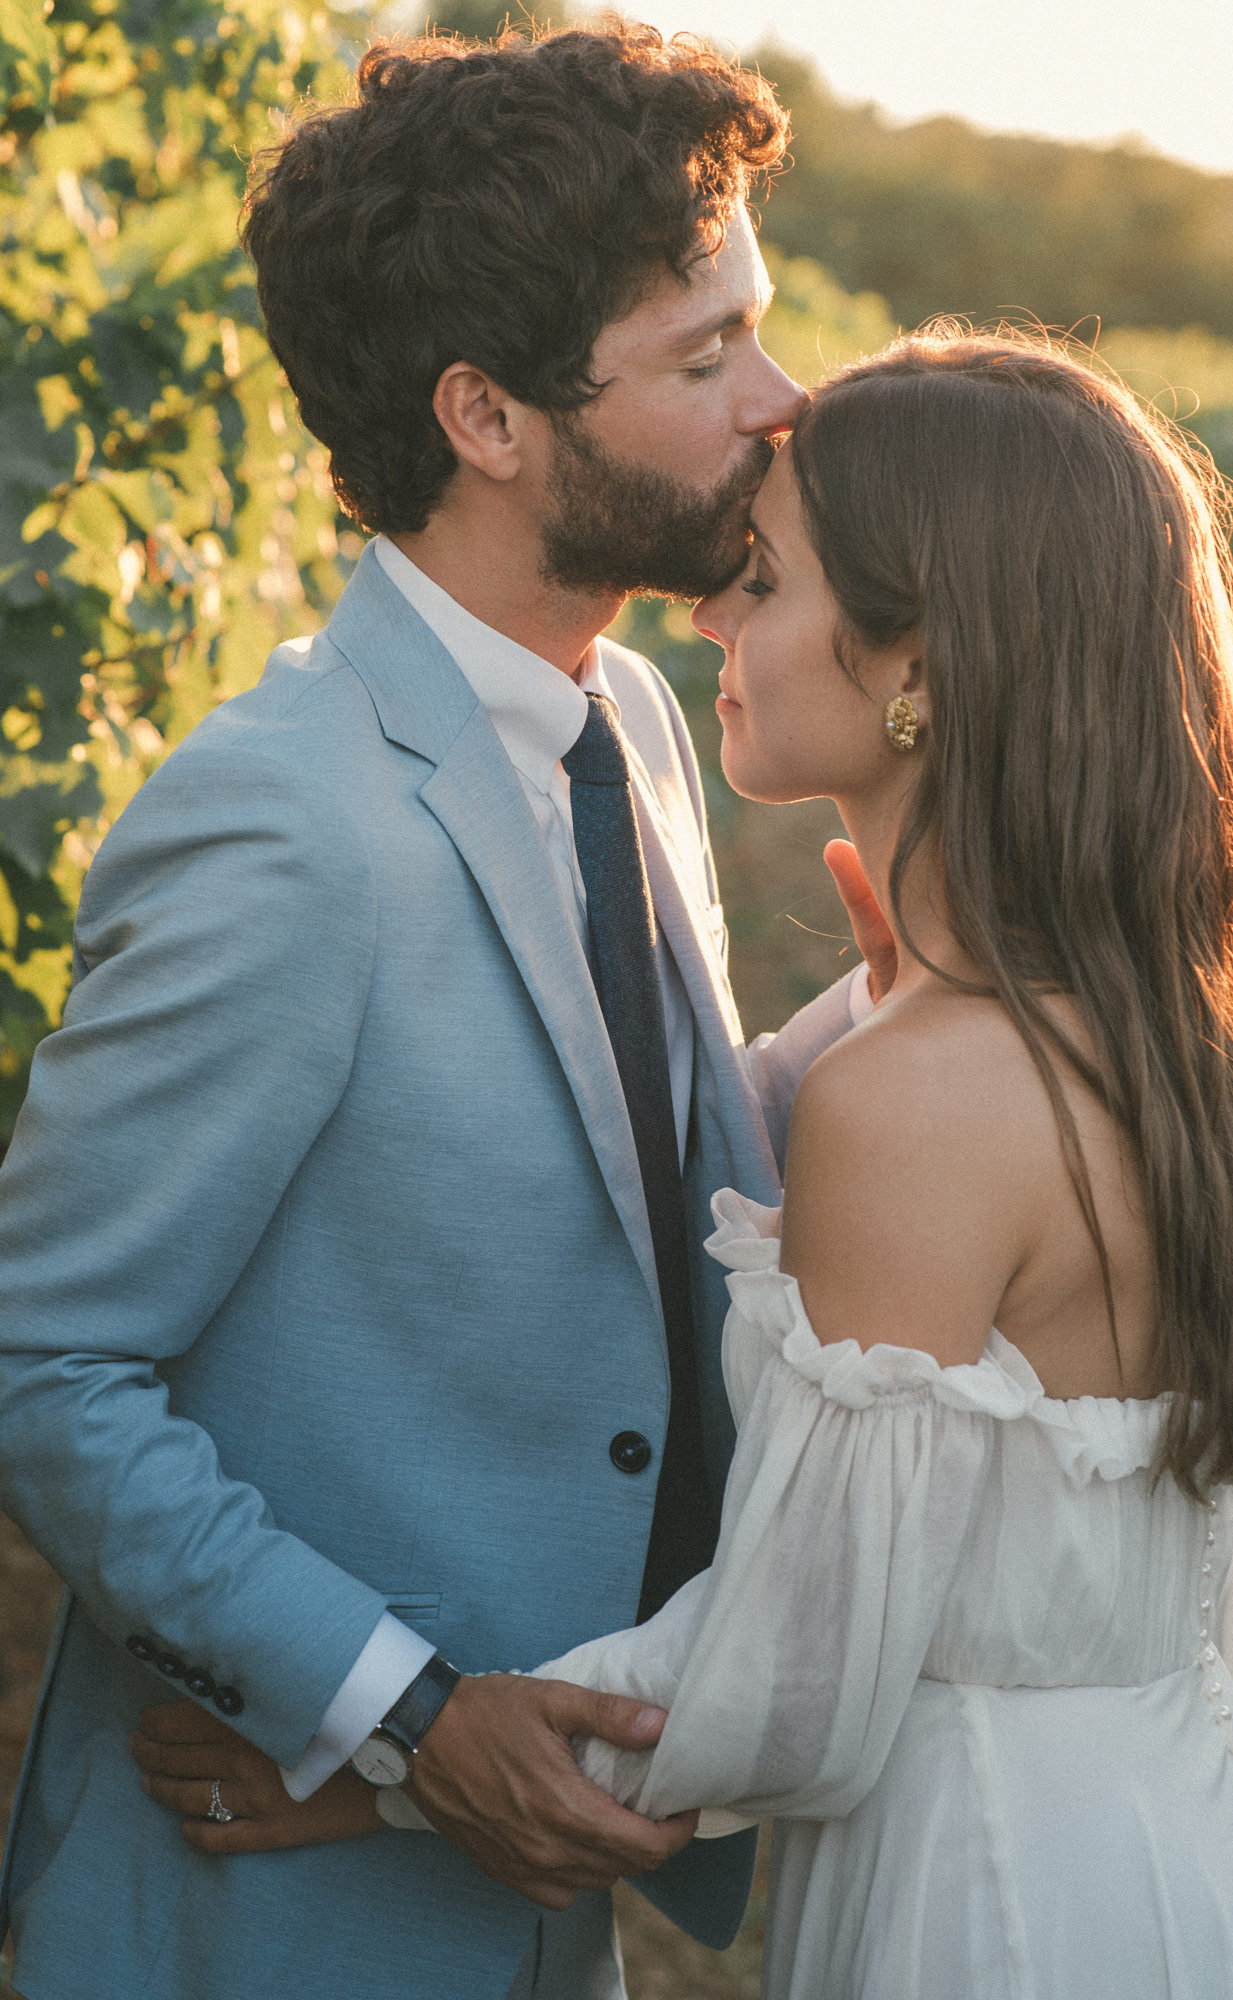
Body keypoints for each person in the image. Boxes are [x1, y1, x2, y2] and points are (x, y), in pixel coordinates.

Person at [146, 329, 1233, 1998]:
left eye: (763, 582)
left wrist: (401, 1764)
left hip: (992, 1910)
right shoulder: (1149, 1022)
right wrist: (882, 1004)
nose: (709, 612)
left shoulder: (923, 1095)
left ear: (919, 662)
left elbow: (800, 1684)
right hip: (1189, 1862)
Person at [0, 27, 893, 2000]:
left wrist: (922, 1001)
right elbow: (44, 1361)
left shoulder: (629, 715)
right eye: (700, 358)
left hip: (522, 1900)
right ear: (486, 417)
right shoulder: (280, 816)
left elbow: (603, 1157)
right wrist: (403, 1715)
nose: (778, 400)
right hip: (264, 1918)